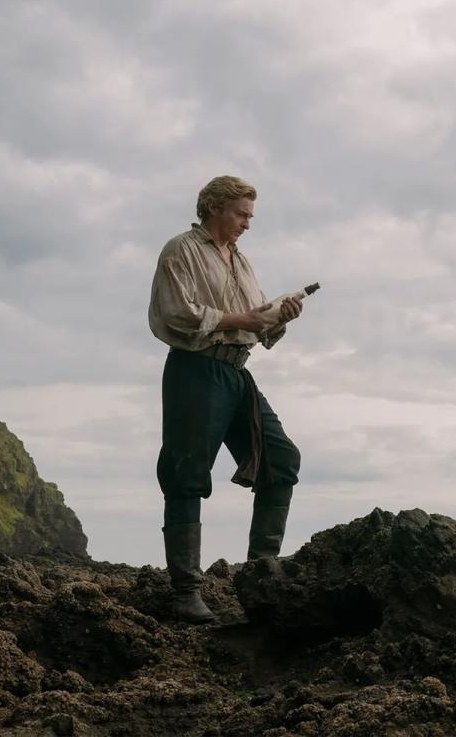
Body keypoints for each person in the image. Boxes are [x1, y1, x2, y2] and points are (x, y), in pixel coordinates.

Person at [147, 175, 304, 623]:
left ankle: (261, 576)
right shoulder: (182, 249)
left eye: (250, 216)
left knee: (281, 460)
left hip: (237, 371)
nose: (247, 224)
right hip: (195, 369)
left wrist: (280, 316)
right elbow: (176, 314)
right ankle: (185, 592)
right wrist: (244, 318)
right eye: (241, 214)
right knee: (186, 472)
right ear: (214, 207)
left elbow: (255, 323)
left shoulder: (243, 261)